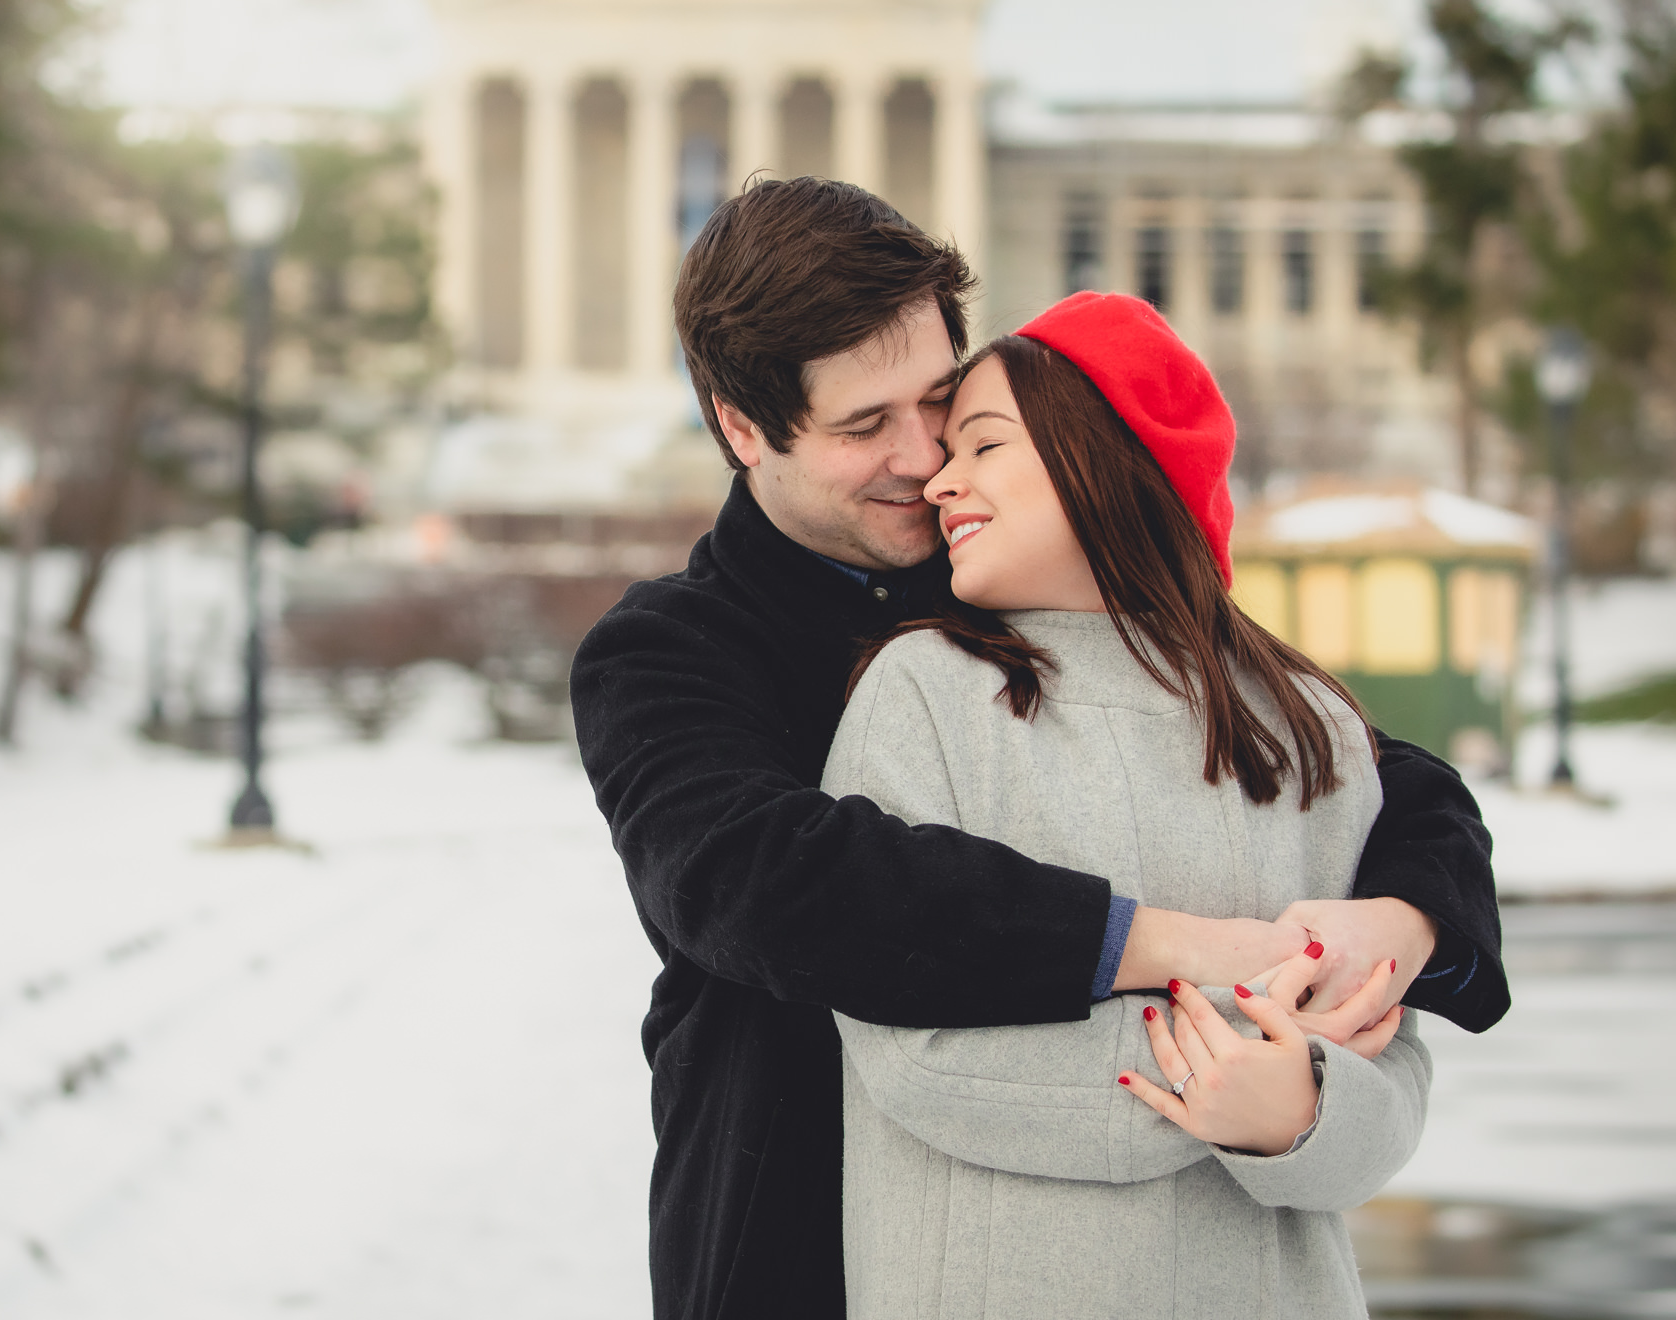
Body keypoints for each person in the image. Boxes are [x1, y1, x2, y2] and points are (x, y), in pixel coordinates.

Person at [569, 177, 1505, 1320]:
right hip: (791, 1236)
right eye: (865, 427)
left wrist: (1400, 925)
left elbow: (1384, 780)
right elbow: (772, 884)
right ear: (742, 428)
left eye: (943, 405)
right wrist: (1187, 953)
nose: (924, 459)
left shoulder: (1021, 571)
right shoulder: (670, 650)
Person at [828, 293, 1428, 1317]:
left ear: (1099, 456)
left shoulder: (1308, 724)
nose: (938, 479)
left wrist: (1303, 1113)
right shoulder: (920, 694)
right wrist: (1209, 1082)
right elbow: (909, 1041)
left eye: (981, 445)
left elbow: (1393, 1058)